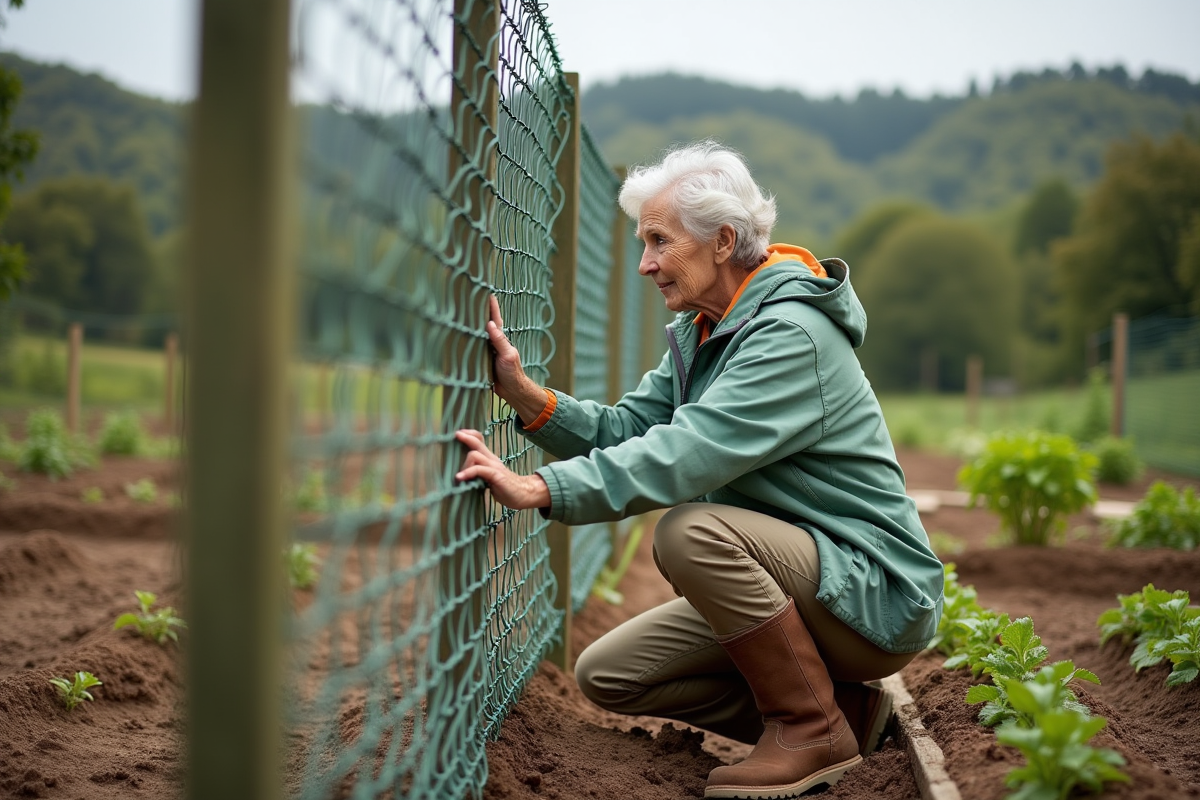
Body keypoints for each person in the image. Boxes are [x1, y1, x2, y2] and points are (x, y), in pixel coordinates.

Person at [454, 140, 943, 800]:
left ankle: (810, 727)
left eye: (658, 241)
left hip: (872, 594)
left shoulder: (790, 334)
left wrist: (544, 488)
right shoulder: (704, 329)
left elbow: (689, 450)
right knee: (611, 674)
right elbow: (632, 430)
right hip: (806, 584)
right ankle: (853, 718)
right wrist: (528, 399)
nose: (645, 264)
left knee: (689, 532)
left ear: (723, 240)